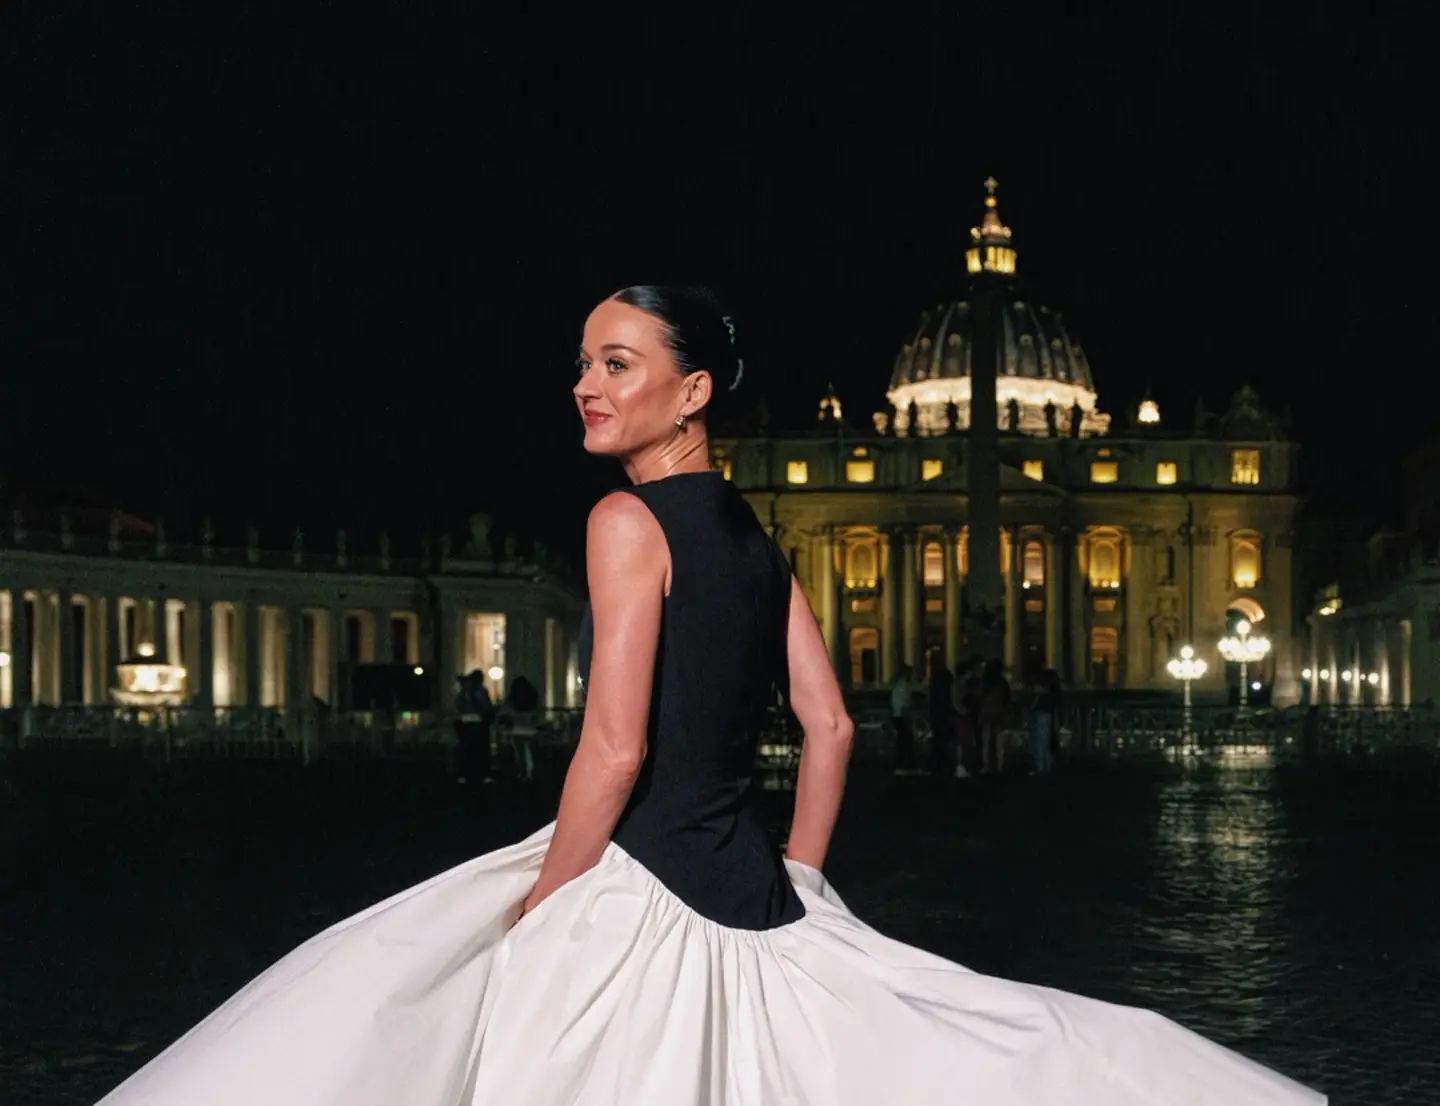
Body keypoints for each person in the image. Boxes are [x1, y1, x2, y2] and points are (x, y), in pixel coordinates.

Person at [96, 287, 1325, 1105]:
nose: (586, 381)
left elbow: (614, 748)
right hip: (755, 886)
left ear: (691, 393)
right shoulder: (751, 528)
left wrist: (545, 898)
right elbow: (831, 726)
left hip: (632, 874)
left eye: (618, 362)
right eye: (582, 360)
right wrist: (794, 872)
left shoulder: (624, 519)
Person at [453, 670, 495, 785]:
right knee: (478, 750)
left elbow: (459, 706)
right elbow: (485, 707)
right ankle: (481, 774)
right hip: (478, 723)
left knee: (468, 750)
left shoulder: (465, 692)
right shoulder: (479, 691)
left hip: (468, 722)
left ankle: (466, 774)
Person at [979, 656, 1012, 775]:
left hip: (986, 711)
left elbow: (980, 697)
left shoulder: (984, 681)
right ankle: (1000, 764)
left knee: (986, 740)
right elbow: (1007, 698)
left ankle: (986, 765)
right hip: (999, 712)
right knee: (999, 740)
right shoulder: (1002, 682)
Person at [927, 651, 954, 778]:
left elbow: (932, 698)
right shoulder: (946, 676)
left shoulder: (935, 678)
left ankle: (937, 764)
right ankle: (943, 763)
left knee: (939, 740)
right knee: (944, 741)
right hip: (945, 712)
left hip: (937, 713)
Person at [889, 663, 915, 772]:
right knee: (905, 741)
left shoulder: (897, 685)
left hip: (897, 715)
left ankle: (901, 764)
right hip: (902, 716)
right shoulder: (903, 686)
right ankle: (904, 764)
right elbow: (904, 703)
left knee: (901, 741)